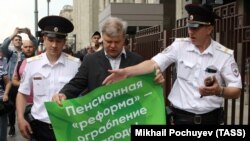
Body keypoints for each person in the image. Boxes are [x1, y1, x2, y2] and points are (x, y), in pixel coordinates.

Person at [102, 4, 242, 125]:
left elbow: (236, 90)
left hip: (210, 120)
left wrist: (219, 91)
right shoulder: (179, 46)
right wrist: (126, 72)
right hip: (180, 119)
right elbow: (153, 63)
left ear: (209, 29)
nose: (190, 32)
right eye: (189, 27)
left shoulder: (224, 55)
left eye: (195, 28)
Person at [16, 15, 81, 141]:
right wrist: (20, 118)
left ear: (64, 41)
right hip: (39, 127)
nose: (54, 45)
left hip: (68, 126)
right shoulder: (31, 64)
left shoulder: (76, 64)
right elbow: (22, 93)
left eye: (59, 40)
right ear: (44, 39)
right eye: (50, 40)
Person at [52, 17, 144, 105]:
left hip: (128, 116)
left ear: (123, 39)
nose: (112, 46)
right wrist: (64, 94)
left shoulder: (137, 60)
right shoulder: (90, 60)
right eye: (108, 41)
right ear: (102, 38)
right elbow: (77, 83)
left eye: (116, 42)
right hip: (100, 117)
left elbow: (145, 87)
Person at [0, 27, 38, 136]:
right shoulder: (10, 54)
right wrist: (14, 33)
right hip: (13, 84)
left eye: (19, 40)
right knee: (11, 107)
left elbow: (35, 42)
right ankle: (12, 126)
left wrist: (29, 33)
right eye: (15, 40)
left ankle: (30, 124)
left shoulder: (27, 52)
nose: (17, 41)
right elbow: (3, 46)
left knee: (26, 105)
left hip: (26, 85)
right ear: (13, 41)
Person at [0, 48, 12, 141]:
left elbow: (8, 82)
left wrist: (6, 94)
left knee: (2, 131)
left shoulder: (1, 66)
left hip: (1, 102)